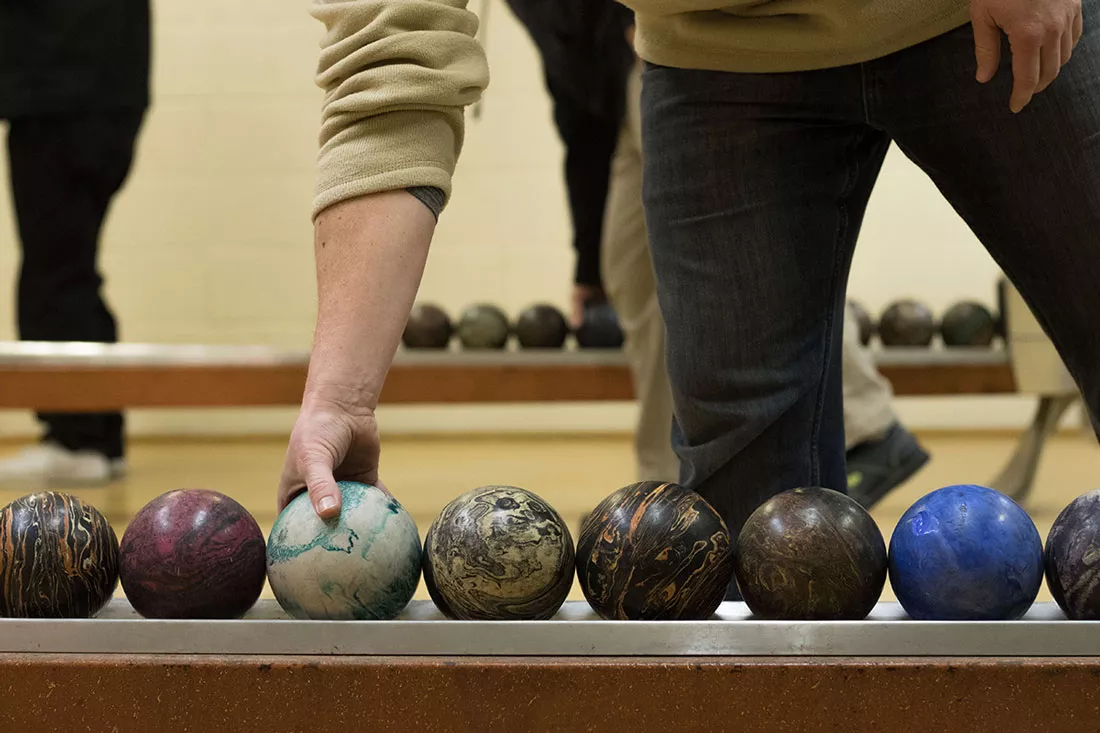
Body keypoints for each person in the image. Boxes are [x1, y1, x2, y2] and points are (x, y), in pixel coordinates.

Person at [280, 0, 1092, 579]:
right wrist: (339, 397)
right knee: (753, 539)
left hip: (972, 16)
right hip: (716, 58)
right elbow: (390, 62)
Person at [507, 0, 928, 501]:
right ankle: (665, 491)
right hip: (620, 99)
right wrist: (585, 266)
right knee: (632, 278)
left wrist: (632, 19)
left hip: (668, 48)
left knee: (754, 275)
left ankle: (871, 430)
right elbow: (575, 110)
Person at [0, 0, 150, 485]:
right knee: (70, 268)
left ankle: (78, 439)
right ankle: (97, 436)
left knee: (54, 271)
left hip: (63, 96)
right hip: (97, 93)